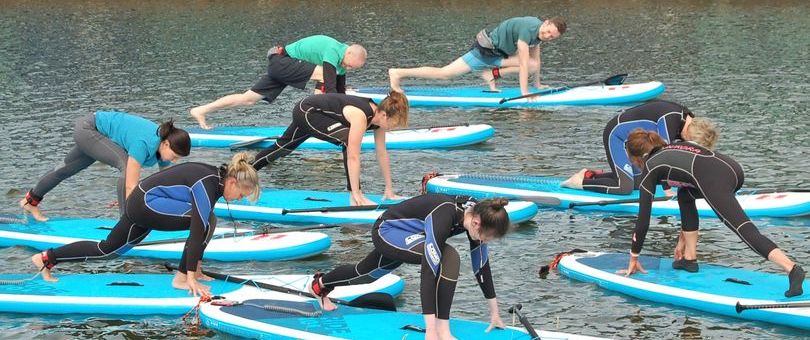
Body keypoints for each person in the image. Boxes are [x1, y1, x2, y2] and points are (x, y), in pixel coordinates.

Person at [30, 152, 260, 297]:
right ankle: (181, 279)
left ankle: (47, 258)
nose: (239, 199)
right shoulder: (208, 183)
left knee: (108, 250)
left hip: (144, 203)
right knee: (205, 221)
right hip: (145, 204)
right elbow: (198, 229)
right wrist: (190, 277)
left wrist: (197, 269)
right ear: (231, 181)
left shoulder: (216, 181)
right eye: (241, 194)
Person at [619, 125, 805, 297]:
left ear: (638, 158)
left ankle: (792, 269)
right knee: (685, 195)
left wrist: (634, 256)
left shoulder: (650, 167)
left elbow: (643, 221)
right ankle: (689, 259)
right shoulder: (672, 147)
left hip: (715, 178)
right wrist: (681, 241)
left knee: (743, 228)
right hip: (731, 167)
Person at [307, 194, 512, 339]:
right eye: (488, 237)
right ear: (476, 223)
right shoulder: (446, 214)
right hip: (388, 229)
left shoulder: (478, 213)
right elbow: (429, 271)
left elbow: (481, 266)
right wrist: (431, 332)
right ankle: (441, 330)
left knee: (366, 274)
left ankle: (321, 285)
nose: (486, 241)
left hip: (413, 236)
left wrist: (494, 314)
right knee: (449, 257)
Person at [20, 111, 191, 221]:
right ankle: (126, 224)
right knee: (124, 165)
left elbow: (167, 182)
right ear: (166, 144)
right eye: (175, 156)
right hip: (89, 129)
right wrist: (129, 201)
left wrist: (180, 208)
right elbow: (130, 184)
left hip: (97, 133)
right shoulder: (144, 143)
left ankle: (30, 201)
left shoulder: (163, 146)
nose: (174, 160)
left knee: (65, 169)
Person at [251, 92, 409, 206]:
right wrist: (357, 193)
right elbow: (353, 156)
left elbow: (382, 153)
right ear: (383, 114)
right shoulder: (361, 115)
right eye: (393, 124)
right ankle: (354, 196)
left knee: (282, 149)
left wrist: (389, 190)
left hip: (313, 111)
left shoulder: (378, 121)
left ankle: (241, 171)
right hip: (308, 111)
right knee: (348, 141)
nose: (393, 128)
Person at [190, 35, 368, 129]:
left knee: (248, 99)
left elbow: (340, 92)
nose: (348, 68)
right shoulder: (333, 51)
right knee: (324, 76)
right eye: (349, 65)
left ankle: (200, 110)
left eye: (352, 68)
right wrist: (347, 118)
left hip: (284, 66)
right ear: (349, 53)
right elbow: (330, 89)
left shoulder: (342, 62)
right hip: (282, 62)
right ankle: (316, 121)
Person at [389, 16, 566, 95]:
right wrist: (525, 93)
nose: (548, 36)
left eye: (552, 37)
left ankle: (490, 74)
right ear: (546, 22)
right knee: (444, 74)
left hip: (497, 56)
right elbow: (524, 64)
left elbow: (536, 61)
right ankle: (398, 72)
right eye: (548, 31)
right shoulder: (528, 29)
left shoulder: (538, 35)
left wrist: (537, 84)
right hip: (484, 53)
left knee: (534, 63)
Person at [561, 100, 695, 194]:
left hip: (633, 142)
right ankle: (578, 183)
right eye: (690, 138)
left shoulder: (684, 121)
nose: (685, 140)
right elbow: (663, 156)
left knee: (637, 182)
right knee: (624, 187)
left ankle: (590, 176)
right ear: (689, 129)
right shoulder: (671, 118)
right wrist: (667, 190)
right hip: (617, 136)